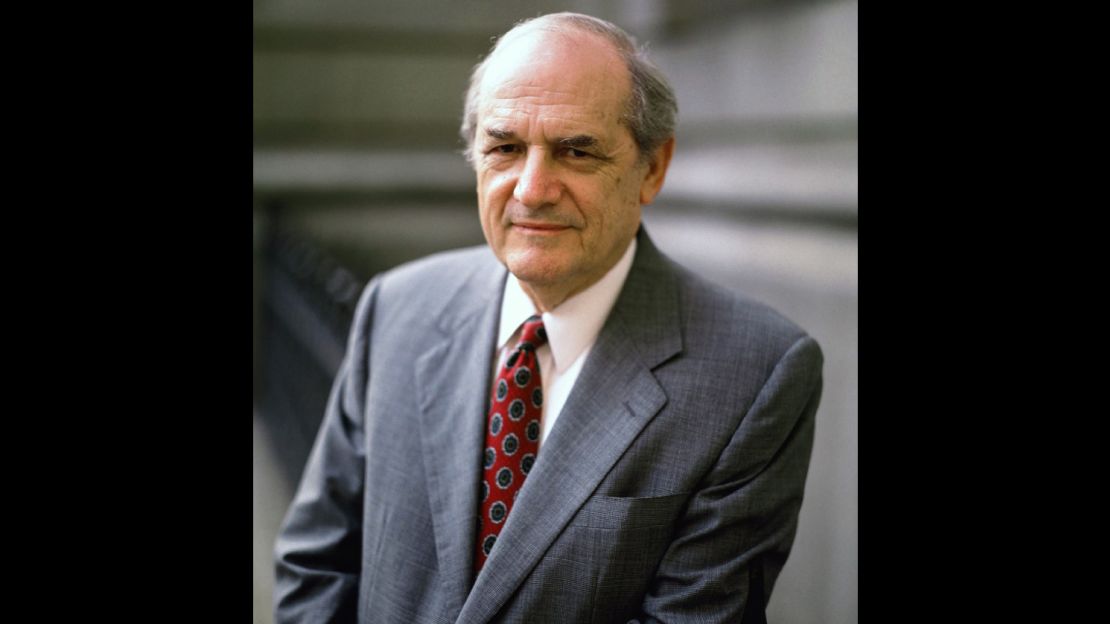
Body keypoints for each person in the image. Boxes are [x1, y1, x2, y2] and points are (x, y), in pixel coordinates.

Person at [274, 11, 823, 623]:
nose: (532, 189)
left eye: (576, 151)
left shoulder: (753, 374)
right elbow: (315, 568)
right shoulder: (397, 308)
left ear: (653, 168)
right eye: (505, 148)